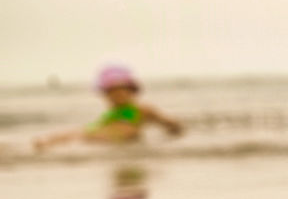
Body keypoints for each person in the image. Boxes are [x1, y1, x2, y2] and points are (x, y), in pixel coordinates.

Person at [34, 64, 183, 150]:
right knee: (75, 134)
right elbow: (98, 128)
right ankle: (45, 142)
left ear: (132, 91)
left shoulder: (143, 109)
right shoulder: (111, 113)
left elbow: (166, 122)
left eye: (121, 90)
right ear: (105, 95)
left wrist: (173, 127)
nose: (116, 96)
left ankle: (47, 143)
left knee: (80, 135)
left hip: (119, 137)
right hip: (104, 136)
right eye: (111, 92)